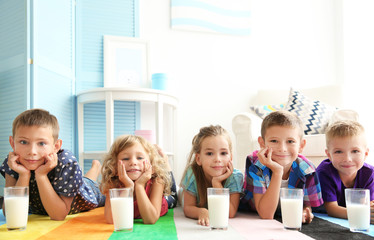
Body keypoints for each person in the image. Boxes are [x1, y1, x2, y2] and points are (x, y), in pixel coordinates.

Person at [0, 109, 105, 220]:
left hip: (87, 192)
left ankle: (96, 167)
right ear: (12, 143)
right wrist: (24, 175)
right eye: (24, 142)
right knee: (86, 179)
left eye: (41, 143)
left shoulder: (66, 162)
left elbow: (58, 215)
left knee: (91, 185)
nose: (32, 151)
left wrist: (41, 175)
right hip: (43, 206)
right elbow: (10, 212)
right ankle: (96, 167)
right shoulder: (13, 162)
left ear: (56, 146)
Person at [240, 110, 323, 223]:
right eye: (274, 141)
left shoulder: (307, 169)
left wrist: (304, 211)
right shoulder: (255, 164)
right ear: (262, 143)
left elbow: (307, 205)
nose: (282, 148)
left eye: (290, 141)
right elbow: (266, 215)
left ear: (301, 145)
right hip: (254, 211)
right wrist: (277, 172)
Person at [100, 134, 173, 224]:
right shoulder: (113, 182)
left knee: (172, 194)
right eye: (126, 158)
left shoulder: (157, 181)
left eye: (140, 158)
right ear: (114, 166)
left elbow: (150, 220)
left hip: (166, 200)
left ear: (152, 165)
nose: (133, 162)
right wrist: (128, 187)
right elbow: (111, 219)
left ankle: (165, 160)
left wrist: (139, 185)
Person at [180, 125, 243, 226]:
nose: (217, 159)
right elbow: (188, 207)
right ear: (198, 159)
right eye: (209, 153)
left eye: (223, 153)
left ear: (230, 157)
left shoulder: (235, 177)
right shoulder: (193, 173)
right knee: (174, 194)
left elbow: (230, 212)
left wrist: (217, 183)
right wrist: (201, 211)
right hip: (182, 193)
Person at [316, 120, 374, 222]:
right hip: (323, 213)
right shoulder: (324, 172)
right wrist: (362, 215)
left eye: (355, 151)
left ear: (365, 154)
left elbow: (368, 204)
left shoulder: (369, 173)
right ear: (329, 155)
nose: (347, 159)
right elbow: (332, 209)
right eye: (338, 151)